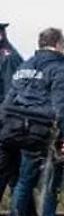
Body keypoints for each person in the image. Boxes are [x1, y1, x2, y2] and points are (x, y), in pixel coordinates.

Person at [2, 27, 64, 216]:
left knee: (25, 180)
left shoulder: (24, 66)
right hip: (48, 132)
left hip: (23, 131)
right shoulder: (61, 69)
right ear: (59, 44)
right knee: (51, 184)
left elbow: (10, 99)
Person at [0, 22, 23, 202]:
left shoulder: (8, 58)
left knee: (8, 170)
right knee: (14, 173)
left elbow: (11, 93)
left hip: (7, 124)